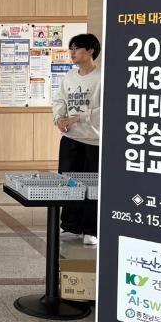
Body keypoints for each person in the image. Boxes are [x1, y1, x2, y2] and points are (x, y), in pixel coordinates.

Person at [52, 33, 102, 246]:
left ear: (90, 51)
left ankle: (91, 229)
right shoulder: (69, 77)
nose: (72, 53)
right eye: (71, 49)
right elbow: (59, 100)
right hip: (70, 139)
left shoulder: (102, 77)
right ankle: (71, 225)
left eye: (77, 49)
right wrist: (59, 118)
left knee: (93, 186)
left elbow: (107, 108)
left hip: (94, 141)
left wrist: (78, 117)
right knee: (69, 182)